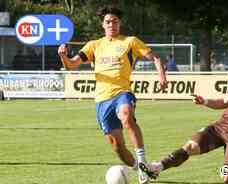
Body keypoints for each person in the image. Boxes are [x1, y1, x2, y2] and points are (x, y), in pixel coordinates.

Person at [57, 5, 167, 184]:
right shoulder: (94, 45)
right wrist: (63, 56)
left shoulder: (130, 41)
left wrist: (162, 76)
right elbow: (71, 65)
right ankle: (139, 169)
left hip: (122, 93)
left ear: (119, 23)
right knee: (117, 147)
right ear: (102, 24)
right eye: (108, 21)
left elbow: (155, 58)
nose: (111, 24)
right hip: (102, 100)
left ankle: (143, 163)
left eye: (115, 21)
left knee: (126, 117)